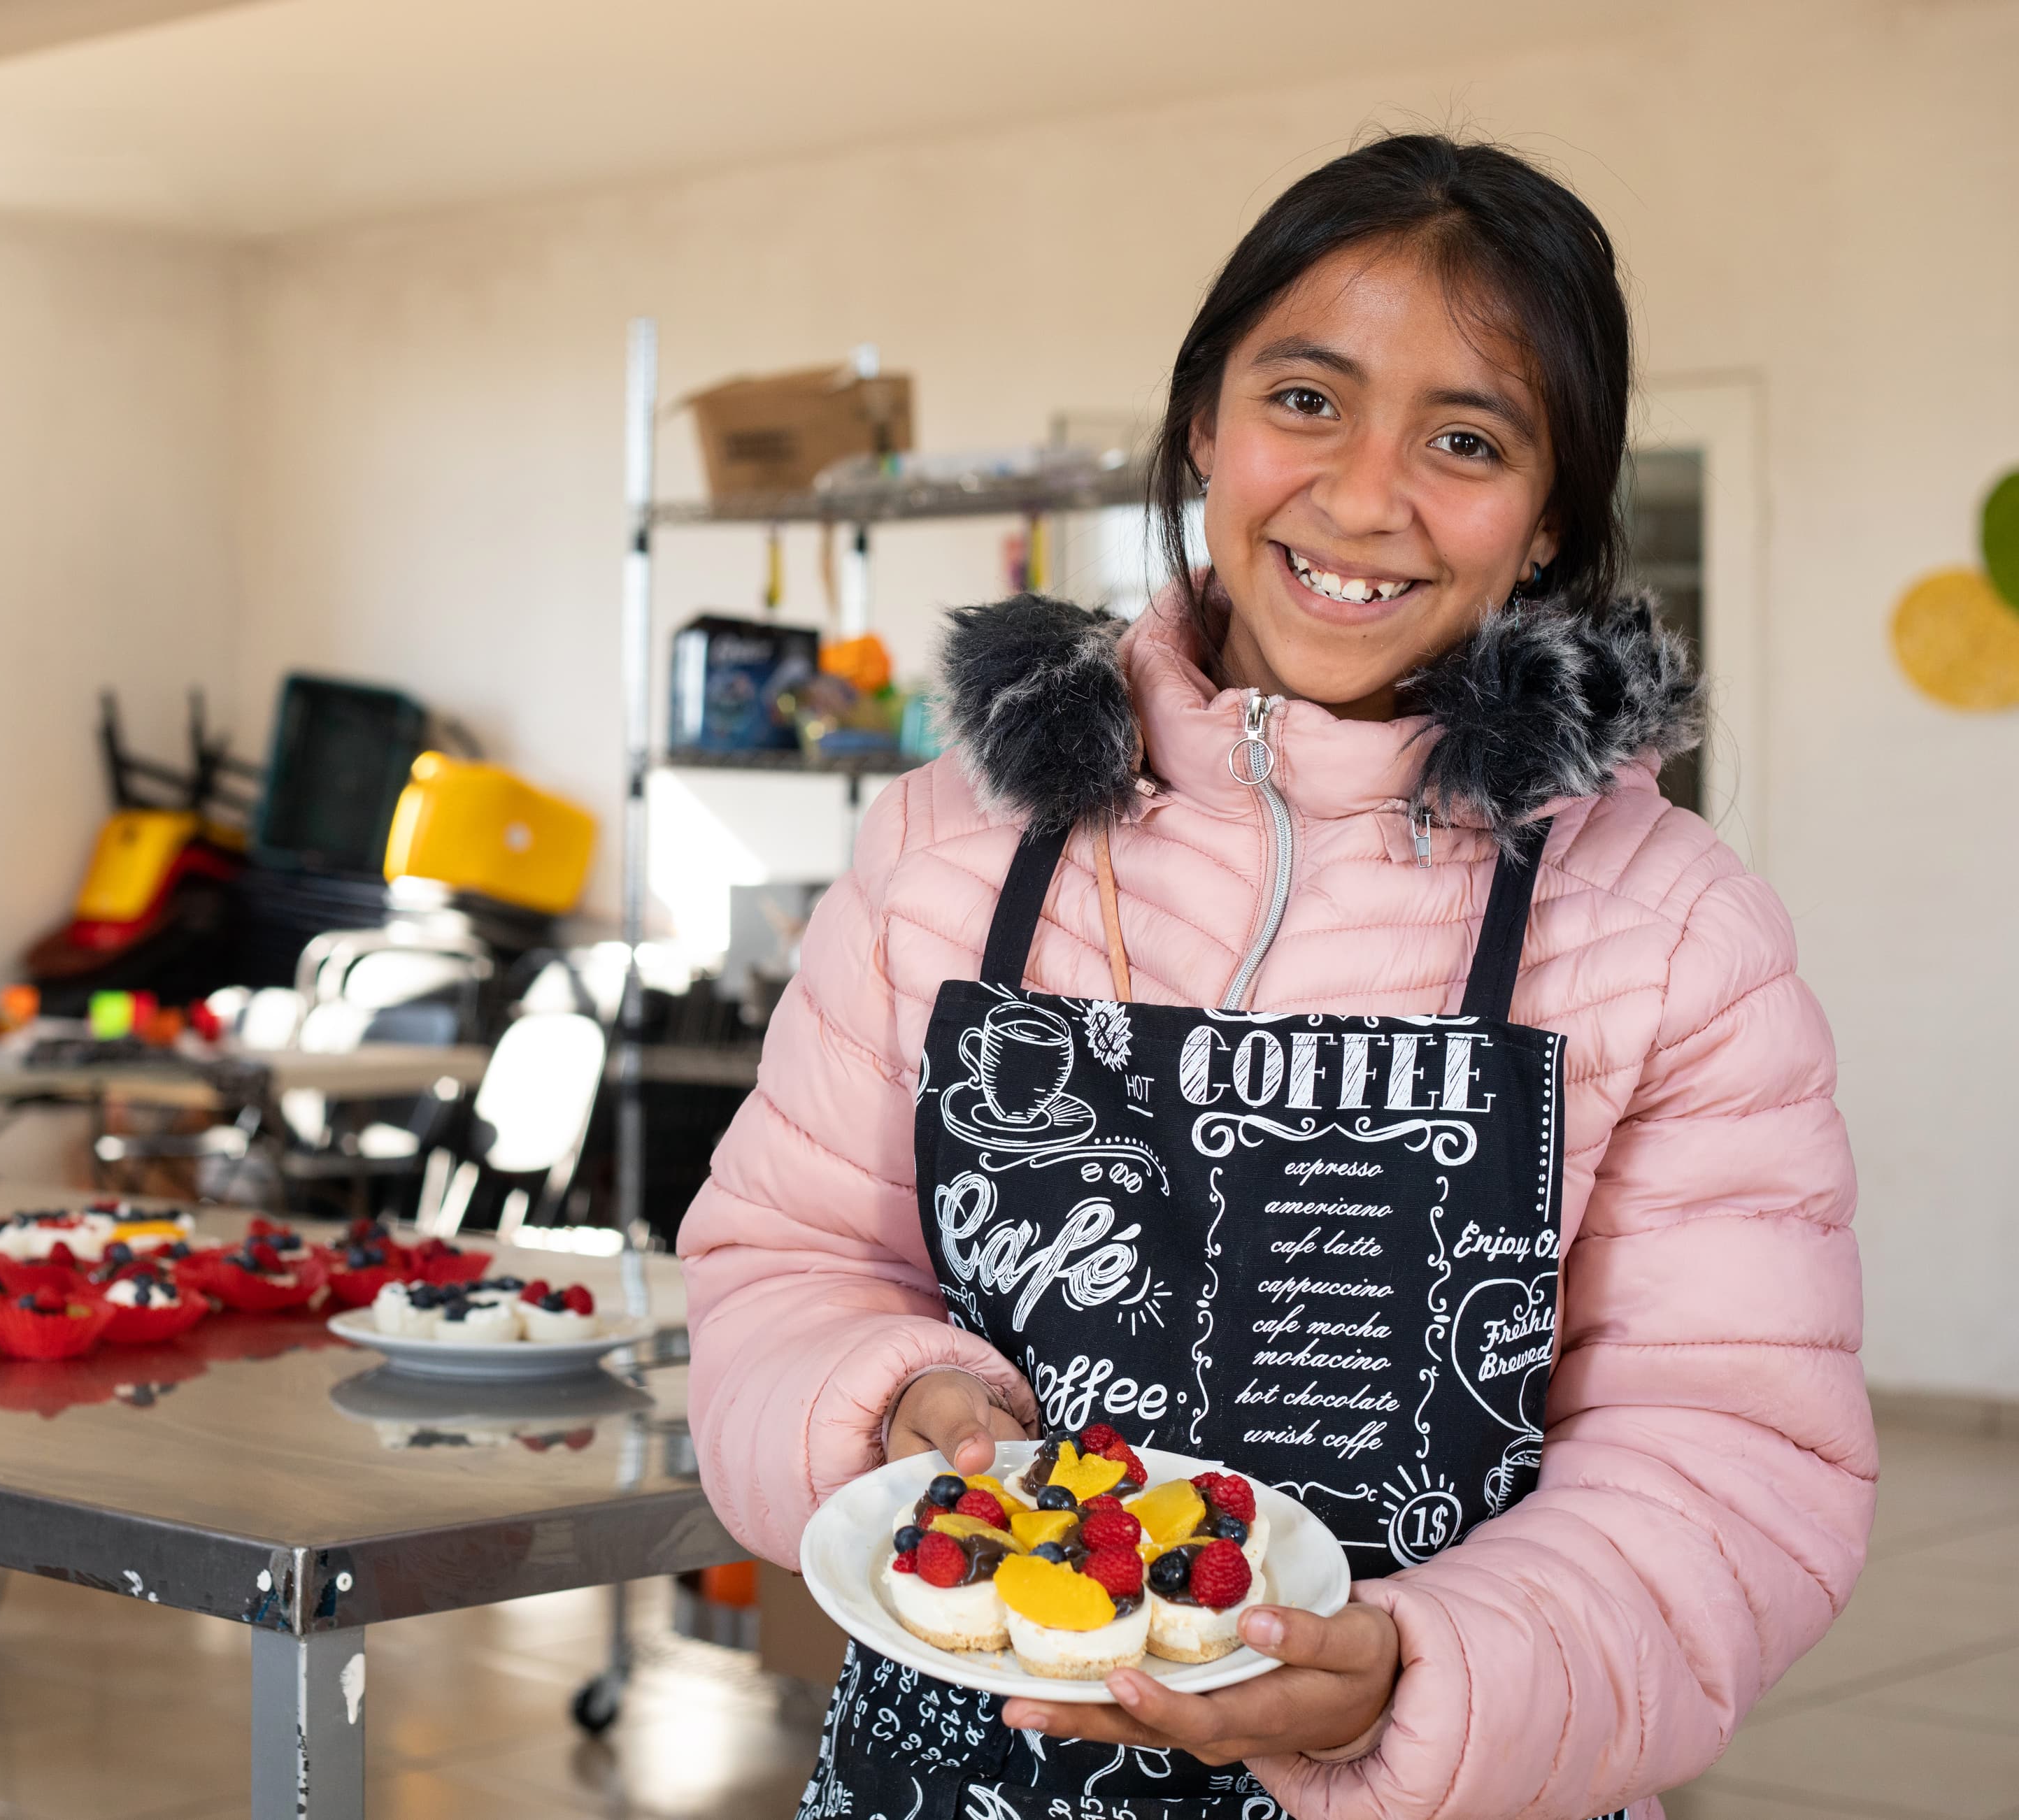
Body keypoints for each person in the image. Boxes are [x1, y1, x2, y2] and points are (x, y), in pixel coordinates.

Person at [678, 133, 1870, 1820]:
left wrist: (1418, 1678)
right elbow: (779, 1264)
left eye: (1467, 439)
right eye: (1306, 400)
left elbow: (1740, 1460)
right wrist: (887, 1404)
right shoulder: (951, 842)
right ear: (1202, 426)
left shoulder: (1671, 931)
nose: (1366, 496)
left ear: (1545, 524)